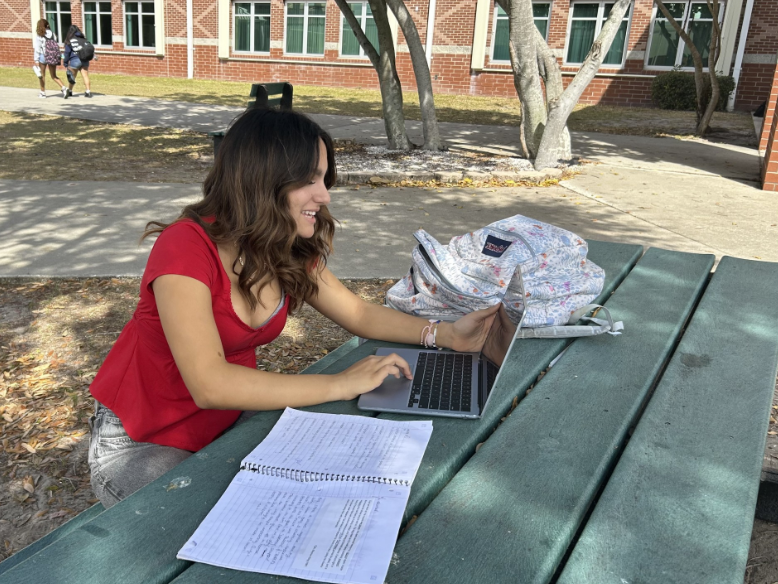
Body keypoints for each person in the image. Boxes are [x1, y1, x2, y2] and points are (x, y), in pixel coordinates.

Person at [87, 108, 499, 508]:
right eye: (309, 179)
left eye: (324, 178)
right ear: (263, 179)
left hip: (228, 421)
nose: (324, 195)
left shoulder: (282, 244)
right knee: (208, 529)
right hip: (142, 438)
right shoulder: (185, 246)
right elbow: (209, 384)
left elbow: (357, 313)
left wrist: (446, 334)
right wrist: (340, 384)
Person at [33, 19, 66, 98]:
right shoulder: (53, 34)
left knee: (42, 75)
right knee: (53, 75)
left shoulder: (40, 35)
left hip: (43, 56)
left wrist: (36, 60)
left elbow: (37, 48)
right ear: (47, 25)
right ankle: (64, 88)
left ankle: (42, 93)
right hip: (52, 56)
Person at [62, 25, 92, 98]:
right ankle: (88, 91)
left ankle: (70, 91)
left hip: (75, 60)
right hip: (85, 59)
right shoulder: (83, 39)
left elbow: (67, 53)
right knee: (85, 75)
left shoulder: (70, 40)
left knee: (72, 77)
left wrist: (65, 63)